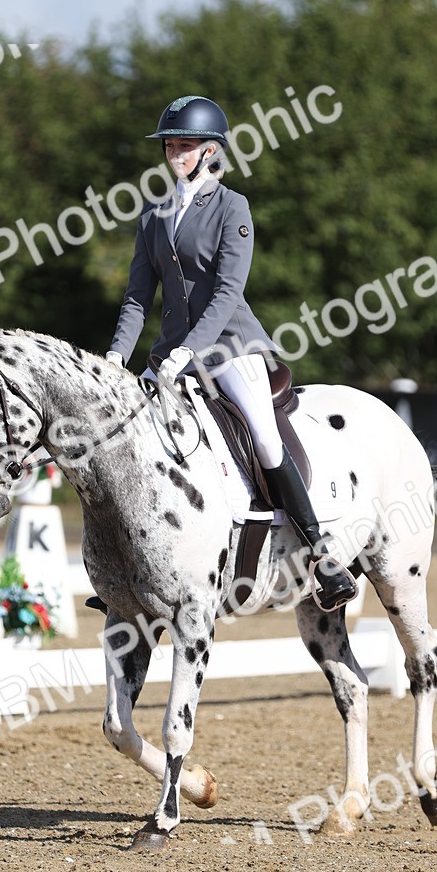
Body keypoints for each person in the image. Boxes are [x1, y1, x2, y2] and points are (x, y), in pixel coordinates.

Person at [105, 94, 357, 611]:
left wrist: (187, 352)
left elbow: (226, 292)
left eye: (187, 143)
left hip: (231, 349)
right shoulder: (154, 215)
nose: (176, 150)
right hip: (168, 355)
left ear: (211, 150)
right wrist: (115, 358)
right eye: (171, 143)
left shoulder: (231, 207)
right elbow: (137, 297)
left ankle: (322, 554)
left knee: (264, 439)